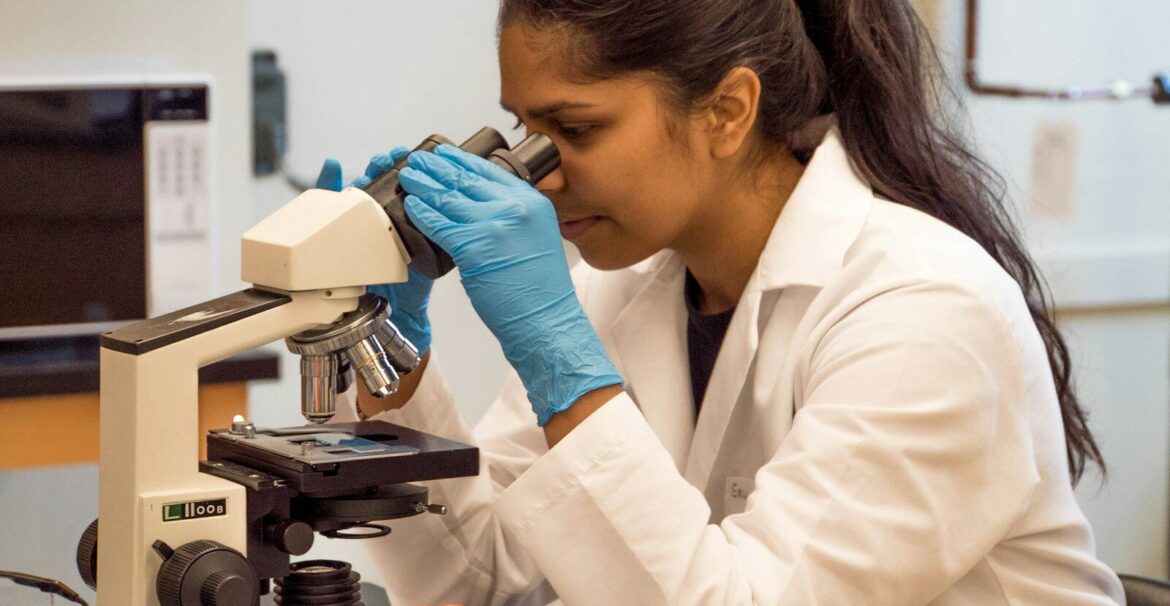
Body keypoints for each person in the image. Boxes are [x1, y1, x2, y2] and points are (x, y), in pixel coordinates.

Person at [315, 0, 1124, 603]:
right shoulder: (620, 288)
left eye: (574, 129)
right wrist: (390, 359)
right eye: (521, 127)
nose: (535, 172)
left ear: (728, 111)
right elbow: (486, 583)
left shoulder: (924, 311)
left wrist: (558, 360)